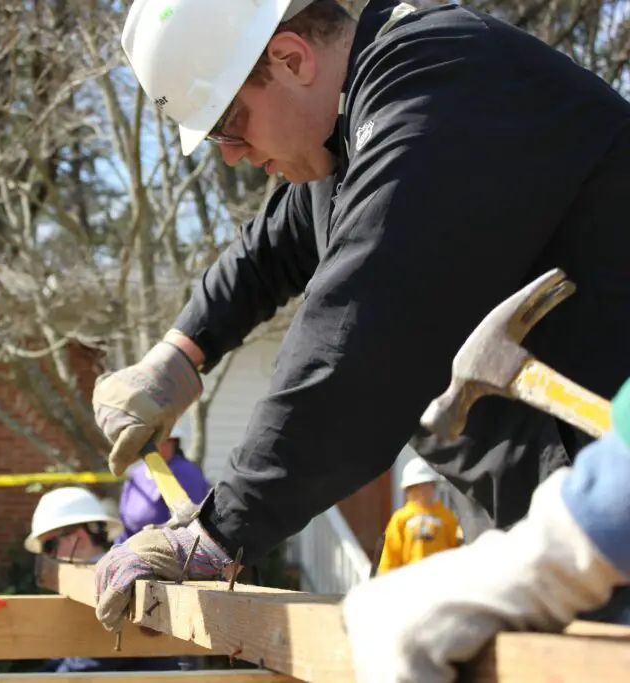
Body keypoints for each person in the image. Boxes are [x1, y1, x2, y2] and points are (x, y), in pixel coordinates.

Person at [89, 0, 630, 632]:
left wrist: (219, 531)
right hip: (559, 511)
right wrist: (178, 355)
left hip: (610, 492)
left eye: (228, 126)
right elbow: (272, 248)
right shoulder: (354, 123)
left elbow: (355, 343)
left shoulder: (439, 84)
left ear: (291, 59)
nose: (230, 155)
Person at [342, 378, 630, 683]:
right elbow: (393, 555)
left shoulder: (444, 515)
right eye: (416, 489)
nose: (422, 492)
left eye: (424, 487)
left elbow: (453, 542)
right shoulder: (401, 520)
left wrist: (559, 555)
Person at [25, 487, 184, 673]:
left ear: (79, 537)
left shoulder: (116, 583)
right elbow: (69, 656)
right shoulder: (85, 582)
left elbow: (92, 662)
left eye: (49, 545)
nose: (48, 556)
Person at [115, 424, 211, 543]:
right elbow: (125, 524)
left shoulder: (185, 472)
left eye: (162, 441)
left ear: (174, 443)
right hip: (135, 547)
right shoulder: (136, 475)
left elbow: (190, 521)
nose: (155, 447)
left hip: (171, 548)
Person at [376, 458, 461, 575]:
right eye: (415, 486)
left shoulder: (447, 516)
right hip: (409, 581)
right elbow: (391, 552)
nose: (420, 490)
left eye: (425, 485)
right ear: (408, 490)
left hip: (441, 580)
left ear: (433, 485)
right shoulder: (400, 518)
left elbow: (455, 551)